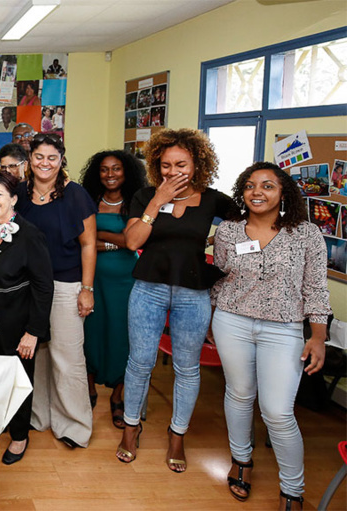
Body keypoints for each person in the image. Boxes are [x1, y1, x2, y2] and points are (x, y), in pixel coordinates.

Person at [211, 162, 330, 510]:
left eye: (267, 186)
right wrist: (212, 318)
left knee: (277, 411)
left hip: (284, 329)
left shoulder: (307, 234)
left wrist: (318, 336)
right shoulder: (229, 231)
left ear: (283, 193)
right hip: (232, 321)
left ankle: (292, 487)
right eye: (250, 186)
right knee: (239, 394)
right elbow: (219, 278)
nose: (257, 192)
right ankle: (241, 462)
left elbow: (316, 289)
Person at [116, 128, 236, 472]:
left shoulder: (214, 200)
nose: (172, 172)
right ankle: (130, 427)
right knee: (139, 363)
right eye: (165, 165)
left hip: (193, 294)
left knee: (187, 367)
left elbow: (245, 226)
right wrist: (157, 201)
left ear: (197, 163)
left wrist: (217, 240)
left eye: (180, 164)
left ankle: (177, 434)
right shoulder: (144, 196)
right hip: (148, 290)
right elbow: (132, 240)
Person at [0, 171, 54, 465]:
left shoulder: (29, 235)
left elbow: (44, 286)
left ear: (14, 199)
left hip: (15, 326)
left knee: (18, 382)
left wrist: (33, 332)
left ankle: (19, 436)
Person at [16, 134, 97, 449]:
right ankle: (41, 416)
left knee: (67, 356)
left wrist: (86, 289)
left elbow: (89, 244)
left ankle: (74, 425)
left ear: (61, 159)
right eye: (39, 157)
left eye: (52, 157)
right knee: (37, 355)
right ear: (30, 159)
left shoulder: (75, 195)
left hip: (65, 283)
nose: (45, 163)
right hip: (30, 286)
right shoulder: (20, 193)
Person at [79, 150, 147, 428]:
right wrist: (115, 240)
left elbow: (133, 242)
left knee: (123, 336)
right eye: (104, 169)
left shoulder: (136, 202)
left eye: (116, 169)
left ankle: (119, 396)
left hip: (125, 280)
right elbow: (80, 242)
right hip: (90, 278)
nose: (110, 174)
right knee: (90, 333)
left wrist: (100, 237)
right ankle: (89, 388)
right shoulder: (88, 200)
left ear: (126, 171)